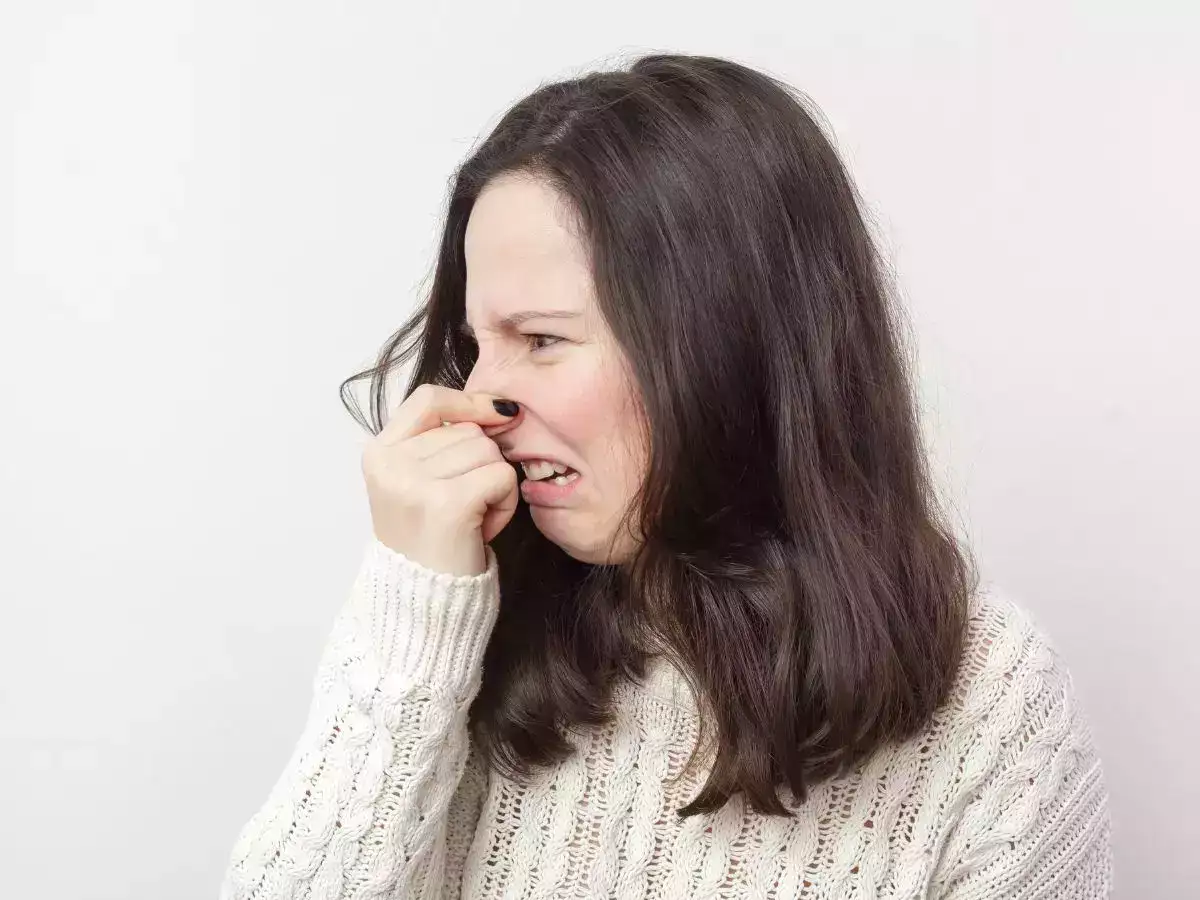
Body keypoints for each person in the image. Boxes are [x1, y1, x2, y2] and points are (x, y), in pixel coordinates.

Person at [218, 53, 1112, 899]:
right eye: (473, 345)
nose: (482, 391)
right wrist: (412, 617)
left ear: (724, 348)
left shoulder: (992, 705)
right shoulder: (467, 626)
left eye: (541, 338)